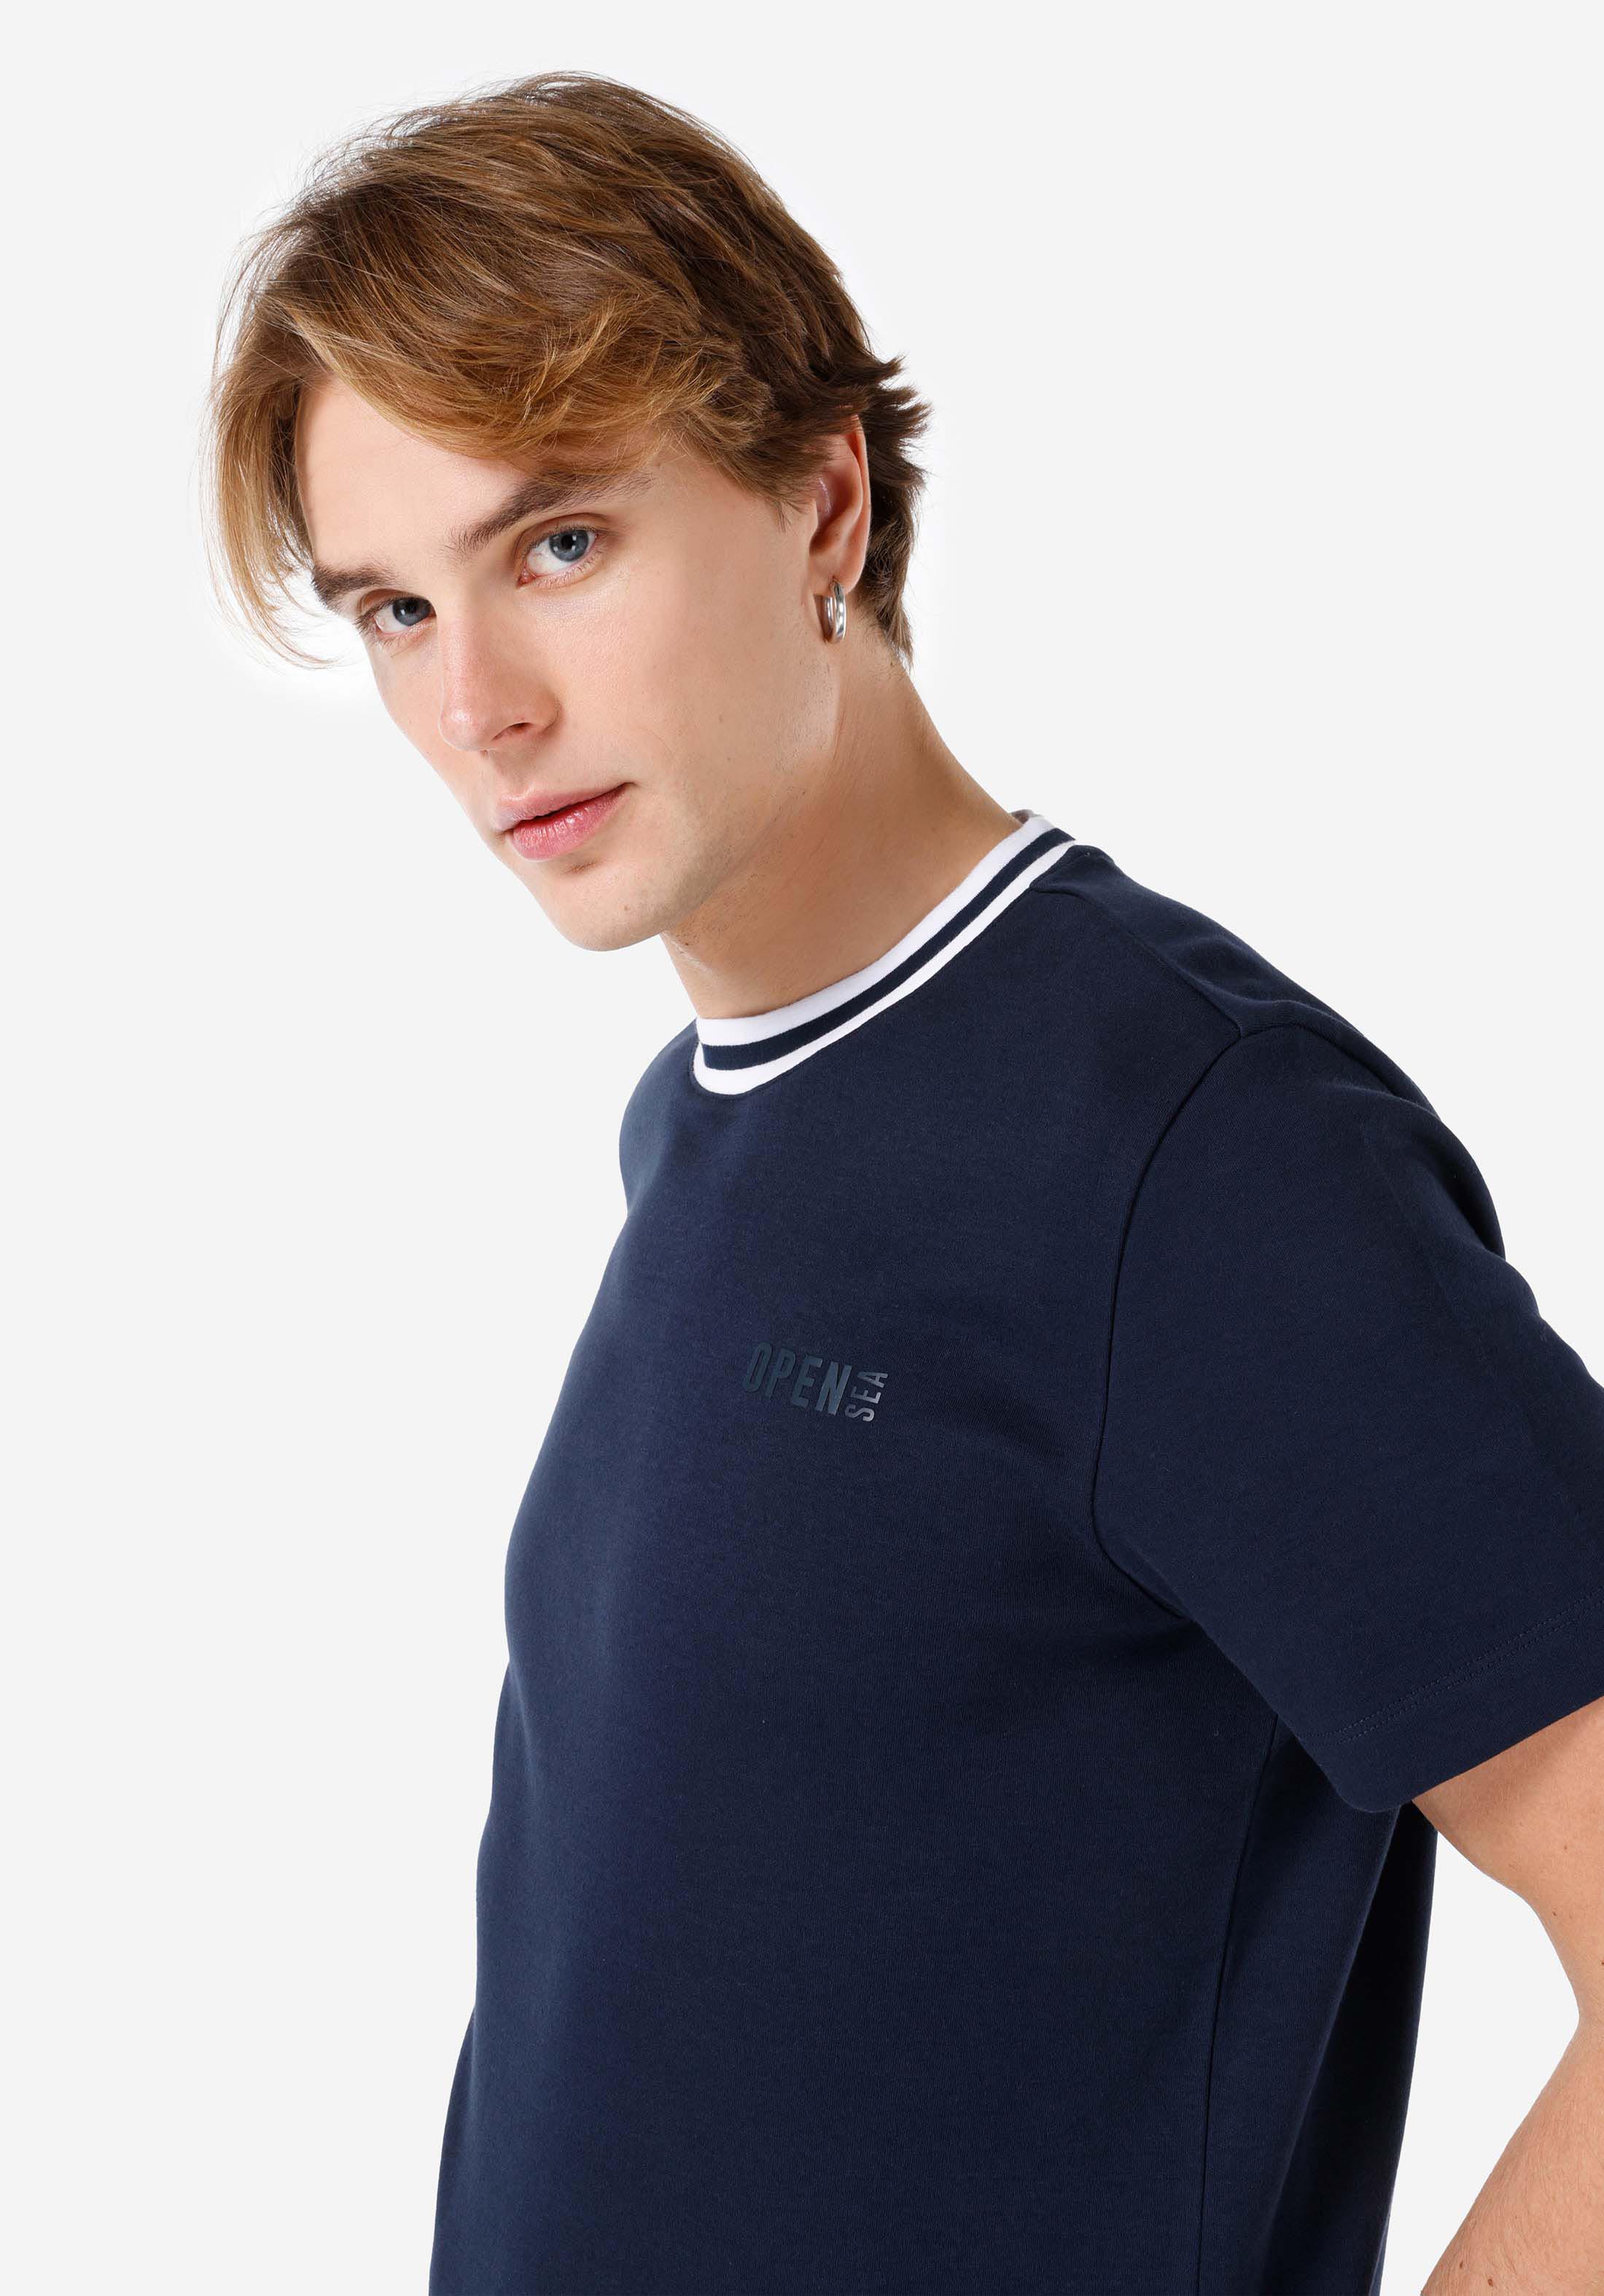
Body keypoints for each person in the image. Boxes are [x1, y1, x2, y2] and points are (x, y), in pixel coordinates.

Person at [201, 68, 1604, 2296]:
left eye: (558, 546)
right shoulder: (710, 1117)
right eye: (392, 607)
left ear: (824, 500)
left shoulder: (1194, 1153)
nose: (478, 705)